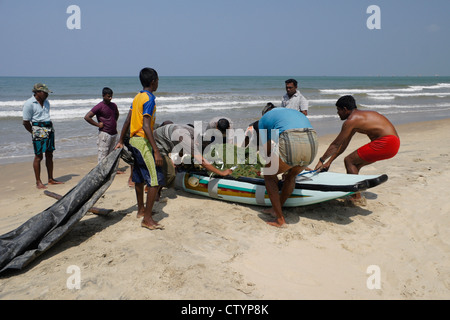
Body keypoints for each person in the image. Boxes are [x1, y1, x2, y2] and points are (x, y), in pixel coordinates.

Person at [314, 95, 400, 204]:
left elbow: (335, 144)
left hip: (386, 142)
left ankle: (356, 196)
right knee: (355, 165)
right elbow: (344, 144)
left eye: (338, 110)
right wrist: (329, 162)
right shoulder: (359, 117)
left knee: (349, 161)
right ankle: (355, 194)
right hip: (394, 143)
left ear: (345, 109)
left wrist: (321, 160)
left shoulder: (351, 121)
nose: (337, 113)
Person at [115, 68, 164, 230]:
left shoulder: (137, 97)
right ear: (153, 81)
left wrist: (121, 139)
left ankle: (141, 210)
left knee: (138, 177)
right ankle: (147, 219)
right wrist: (156, 150)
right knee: (155, 180)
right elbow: (145, 125)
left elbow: (128, 119)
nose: (158, 83)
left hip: (133, 141)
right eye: (157, 80)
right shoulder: (149, 99)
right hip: (142, 142)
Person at [258, 108, 318, 227]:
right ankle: (276, 209)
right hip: (312, 140)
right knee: (291, 176)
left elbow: (267, 149)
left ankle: (280, 220)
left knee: (269, 175)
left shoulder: (262, 121)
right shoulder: (288, 113)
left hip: (291, 138)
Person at [22, 83, 64, 189]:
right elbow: (26, 122)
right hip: (37, 129)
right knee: (38, 156)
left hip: (49, 129)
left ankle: (50, 179)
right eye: (44, 92)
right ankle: (38, 181)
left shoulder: (46, 102)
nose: (46, 94)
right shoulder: (29, 103)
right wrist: (33, 132)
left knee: (50, 154)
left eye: (47, 93)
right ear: (37, 92)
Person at [153, 123, 233, 177]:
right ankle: (153, 190)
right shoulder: (187, 139)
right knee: (170, 174)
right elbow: (202, 161)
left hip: (164, 138)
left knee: (170, 168)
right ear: (198, 144)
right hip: (155, 142)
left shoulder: (195, 135)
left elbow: (182, 148)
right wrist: (221, 173)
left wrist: (177, 162)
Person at [84, 87, 120, 163]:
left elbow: (117, 114)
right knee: (103, 155)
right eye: (108, 96)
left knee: (112, 154)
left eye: (111, 96)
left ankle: (112, 171)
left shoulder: (113, 105)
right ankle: (102, 173)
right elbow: (87, 117)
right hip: (105, 134)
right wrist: (97, 124)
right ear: (103, 96)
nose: (110, 98)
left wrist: (113, 122)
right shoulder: (99, 106)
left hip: (114, 133)